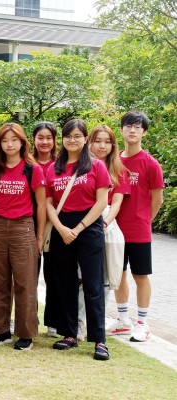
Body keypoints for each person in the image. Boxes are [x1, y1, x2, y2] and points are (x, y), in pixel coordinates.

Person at [44, 119, 110, 361]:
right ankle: (69, 333)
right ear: (63, 139)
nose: (72, 140)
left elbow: (101, 202)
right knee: (66, 283)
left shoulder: (96, 166)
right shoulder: (54, 168)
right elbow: (48, 203)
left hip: (89, 228)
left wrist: (80, 228)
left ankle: (99, 340)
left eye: (77, 136)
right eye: (68, 136)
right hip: (62, 228)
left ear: (85, 139)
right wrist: (62, 228)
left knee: (93, 286)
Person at [0, 123, 46, 350]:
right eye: (4, 140)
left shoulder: (32, 168)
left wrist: (39, 236)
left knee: (25, 282)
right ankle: (2, 331)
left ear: (22, 142)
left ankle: (26, 333)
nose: (9, 145)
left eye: (14, 140)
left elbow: (41, 205)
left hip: (24, 228)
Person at [110, 111, 164, 342]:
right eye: (128, 126)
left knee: (140, 275)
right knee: (118, 274)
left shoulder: (150, 164)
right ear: (121, 130)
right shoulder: (113, 160)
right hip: (114, 229)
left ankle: (142, 322)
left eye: (137, 127)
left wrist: (145, 221)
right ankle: (123, 320)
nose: (132, 130)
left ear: (144, 132)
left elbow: (157, 199)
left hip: (139, 230)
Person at [83, 124, 130, 341]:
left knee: (106, 279)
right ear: (89, 142)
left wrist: (104, 223)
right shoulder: (81, 166)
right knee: (82, 278)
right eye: (97, 140)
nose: (102, 146)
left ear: (112, 145)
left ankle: (98, 322)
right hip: (83, 223)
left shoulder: (119, 169)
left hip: (107, 227)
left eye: (107, 141)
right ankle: (80, 324)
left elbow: (117, 202)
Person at [31, 121, 60, 337]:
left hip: (55, 225)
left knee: (54, 275)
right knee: (28, 276)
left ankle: (52, 321)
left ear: (54, 140)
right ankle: (28, 318)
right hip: (27, 223)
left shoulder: (61, 164)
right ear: (33, 139)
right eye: (40, 137)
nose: (44, 141)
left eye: (48, 137)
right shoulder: (27, 163)